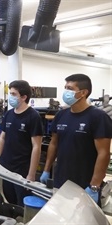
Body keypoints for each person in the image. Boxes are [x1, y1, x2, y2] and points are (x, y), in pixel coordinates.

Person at [40, 74, 112, 207]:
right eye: (65, 87)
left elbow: (104, 154)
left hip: (85, 183)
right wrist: (46, 170)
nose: (66, 92)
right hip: (61, 180)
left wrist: (94, 186)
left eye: (70, 88)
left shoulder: (98, 117)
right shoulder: (61, 115)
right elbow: (54, 144)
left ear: (83, 93)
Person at [0, 80, 43, 206]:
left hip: (22, 168)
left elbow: (36, 146)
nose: (10, 97)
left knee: (21, 202)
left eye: (13, 94)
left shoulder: (33, 116)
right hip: (6, 166)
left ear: (24, 97)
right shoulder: (9, 114)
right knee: (8, 198)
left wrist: (31, 174)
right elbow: (3, 138)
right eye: (10, 93)